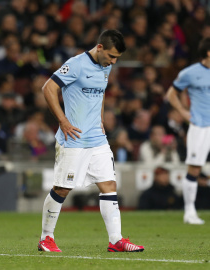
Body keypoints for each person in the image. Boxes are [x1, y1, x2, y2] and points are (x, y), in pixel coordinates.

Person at [38, 30, 144, 252]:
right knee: (62, 188)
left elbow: (100, 92)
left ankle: (116, 240)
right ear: (100, 48)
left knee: (108, 185)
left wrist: (100, 118)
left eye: (117, 58)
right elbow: (48, 87)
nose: (113, 62)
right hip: (73, 138)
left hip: (97, 138)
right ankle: (46, 238)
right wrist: (63, 121)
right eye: (111, 56)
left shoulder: (106, 66)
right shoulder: (76, 64)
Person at [166, 37, 210, 225]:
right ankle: (189, 212)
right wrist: (184, 113)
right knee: (195, 167)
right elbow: (171, 94)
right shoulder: (190, 73)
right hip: (200, 125)